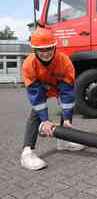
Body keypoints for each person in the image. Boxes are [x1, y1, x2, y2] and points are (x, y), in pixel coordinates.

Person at [21, 27, 85, 171]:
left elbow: (67, 93)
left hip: (58, 87)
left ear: (54, 46)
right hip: (41, 88)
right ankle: (27, 152)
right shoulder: (28, 65)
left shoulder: (64, 61)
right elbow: (36, 97)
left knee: (67, 106)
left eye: (49, 48)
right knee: (36, 113)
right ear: (35, 50)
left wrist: (67, 118)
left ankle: (63, 141)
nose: (46, 53)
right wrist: (45, 120)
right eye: (41, 50)